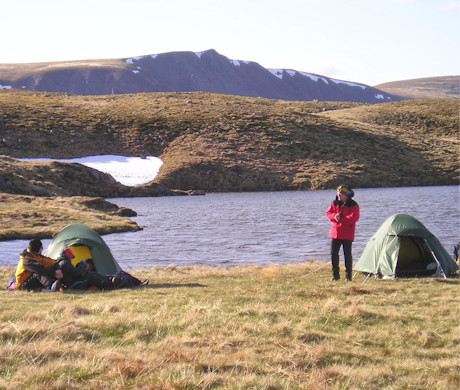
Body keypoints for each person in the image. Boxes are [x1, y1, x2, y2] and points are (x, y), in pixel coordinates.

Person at [326, 185, 360, 281]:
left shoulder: (353, 205)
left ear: (346, 195)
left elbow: (354, 218)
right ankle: (335, 276)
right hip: (335, 233)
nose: (339, 195)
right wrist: (334, 217)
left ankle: (348, 276)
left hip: (347, 233)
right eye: (338, 193)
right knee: (333, 254)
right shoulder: (334, 203)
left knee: (347, 255)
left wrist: (341, 219)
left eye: (341, 193)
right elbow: (328, 213)